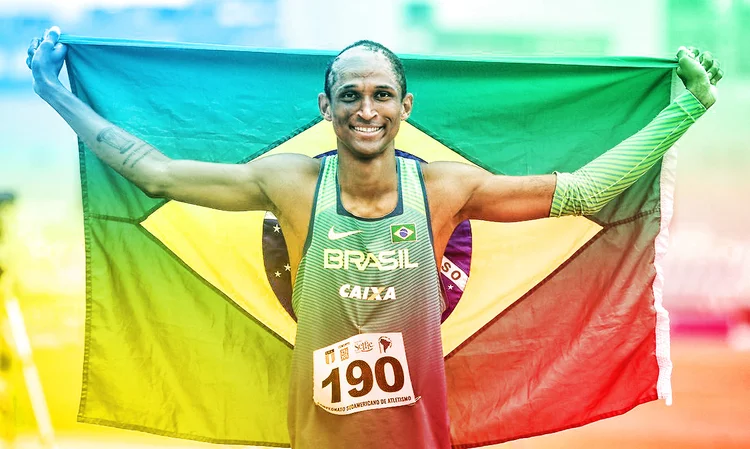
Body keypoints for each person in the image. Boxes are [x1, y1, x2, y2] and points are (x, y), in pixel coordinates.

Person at [27, 26, 722, 449]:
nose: (367, 108)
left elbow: (585, 192)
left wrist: (687, 107)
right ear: (325, 107)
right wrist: (54, 91)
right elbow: (155, 174)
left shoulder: (445, 190)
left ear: (405, 106)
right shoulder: (293, 185)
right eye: (351, 95)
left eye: (382, 94)